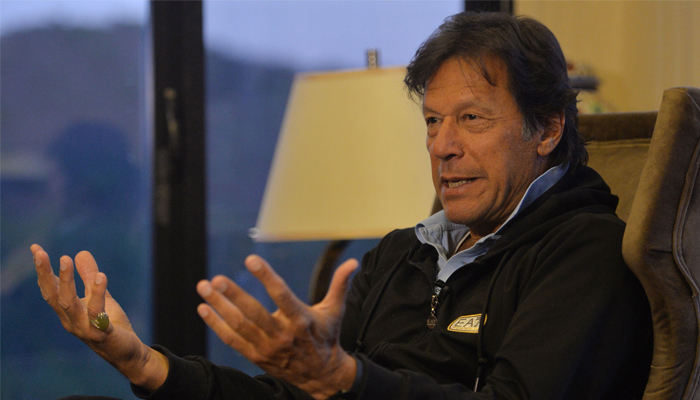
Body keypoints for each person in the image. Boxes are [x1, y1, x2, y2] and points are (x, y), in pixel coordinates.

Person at [32, 11, 652, 400]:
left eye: (471, 119)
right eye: (432, 121)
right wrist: (144, 364)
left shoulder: (587, 252)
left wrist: (344, 379)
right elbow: (298, 396)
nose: (442, 145)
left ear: (547, 129)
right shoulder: (399, 254)